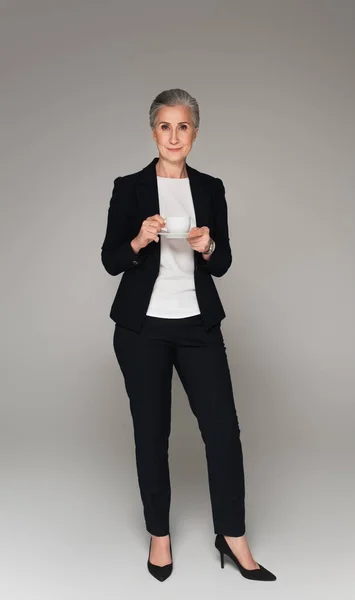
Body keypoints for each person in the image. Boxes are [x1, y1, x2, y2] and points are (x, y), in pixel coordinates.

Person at [101, 88, 277, 582]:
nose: (174, 136)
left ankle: (233, 535)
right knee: (151, 434)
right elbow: (110, 258)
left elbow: (222, 264)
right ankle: (160, 534)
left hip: (198, 325)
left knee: (223, 432)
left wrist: (208, 244)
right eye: (165, 126)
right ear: (153, 131)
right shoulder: (129, 186)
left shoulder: (212, 187)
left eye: (183, 127)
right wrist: (138, 238)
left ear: (194, 134)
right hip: (142, 331)